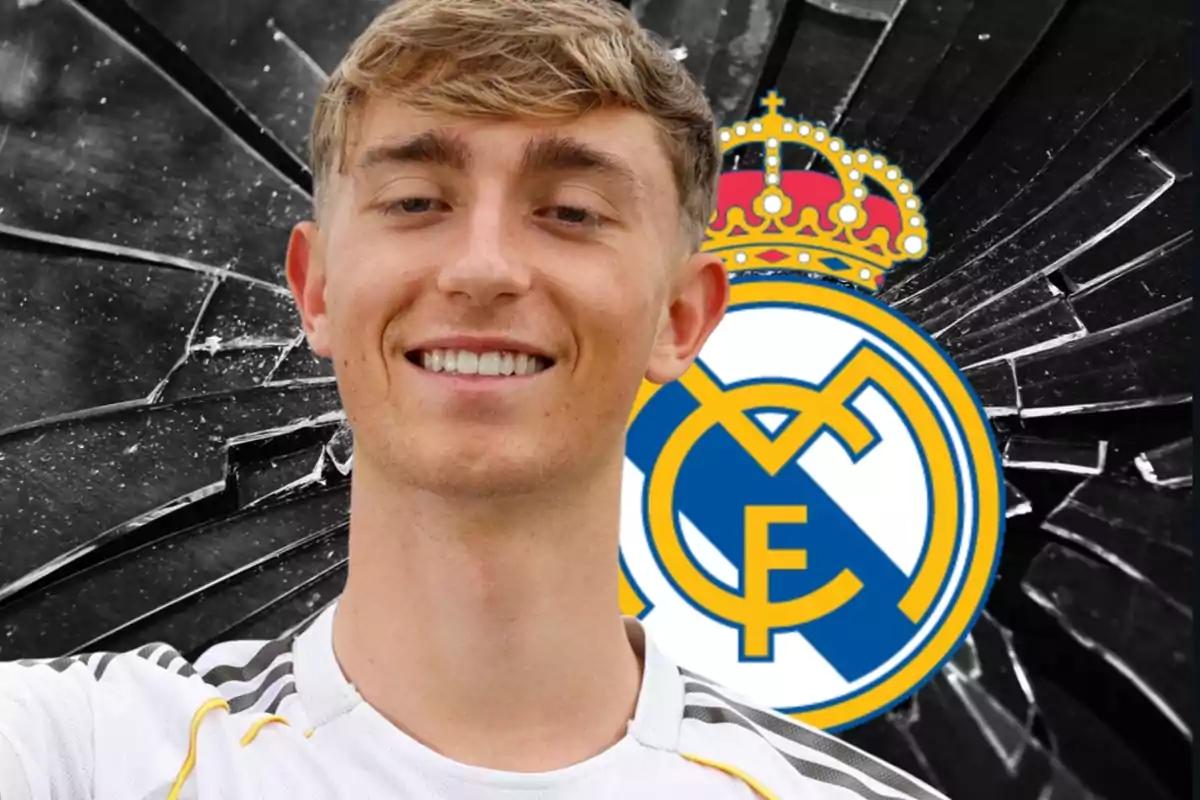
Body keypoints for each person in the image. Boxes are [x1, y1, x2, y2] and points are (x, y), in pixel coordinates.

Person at [0, 1, 948, 797]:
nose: (483, 267)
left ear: (680, 318)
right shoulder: (75, 757)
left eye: (571, 212)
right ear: (318, 289)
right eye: (417, 200)